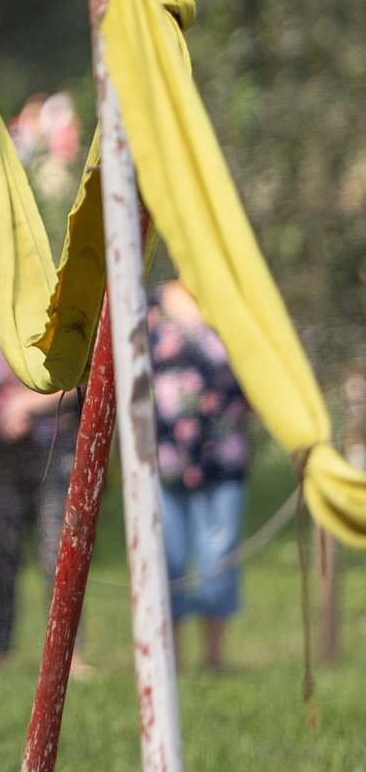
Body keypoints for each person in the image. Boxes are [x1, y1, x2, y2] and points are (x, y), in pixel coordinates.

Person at [0, 317, 78, 667]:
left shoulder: (61, 321)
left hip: (54, 452)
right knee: (3, 556)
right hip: (1, 458)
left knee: (59, 554)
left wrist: (23, 406)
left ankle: (70, 656)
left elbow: (77, 381)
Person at [148, 280, 249, 672]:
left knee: (218, 556)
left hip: (224, 455)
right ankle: (169, 661)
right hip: (164, 456)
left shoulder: (232, 299)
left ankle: (213, 660)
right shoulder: (151, 306)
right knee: (166, 557)